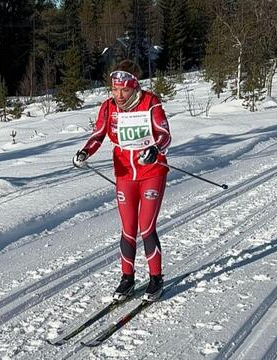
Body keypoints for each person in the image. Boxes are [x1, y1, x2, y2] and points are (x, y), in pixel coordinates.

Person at [72, 59, 172, 302]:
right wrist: (85, 152)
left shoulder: (150, 103)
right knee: (128, 229)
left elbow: (165, 136)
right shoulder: (108, 108)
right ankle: (127, 279)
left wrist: (156, 150)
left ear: (135, 86)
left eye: (124, 90)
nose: (119, 95)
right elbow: (98, 135)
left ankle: (156, 279)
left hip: (151, 174)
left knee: (146, 227)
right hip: (124, 175)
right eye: (115, 90)